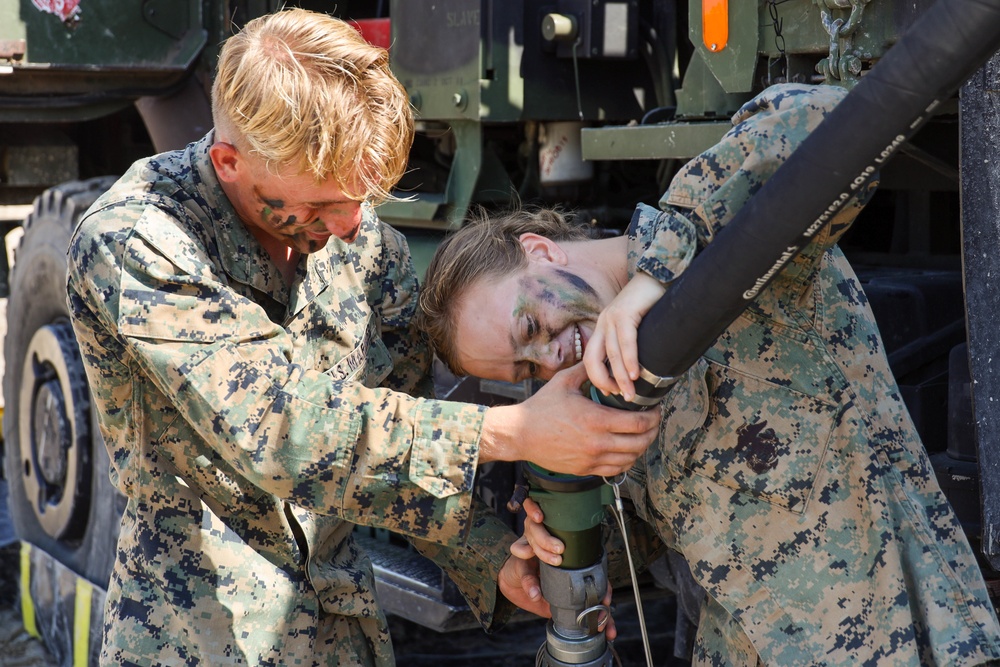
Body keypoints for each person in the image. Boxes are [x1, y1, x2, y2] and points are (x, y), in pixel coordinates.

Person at [65, 9, 660, 665]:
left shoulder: (365, 245)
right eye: (322, 205)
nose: (352, 226)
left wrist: (493, 557)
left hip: (342, 633)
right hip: (198, 635)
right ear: (230, 162)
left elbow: (401, 425)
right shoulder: (140, 238)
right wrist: (515, 431)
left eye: (363, 196)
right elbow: (279, 430)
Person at [416, 83, 1000, 666]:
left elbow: (829, 116)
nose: (549, 359)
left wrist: (654, 277)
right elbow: (679, 529)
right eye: (524, 368)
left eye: (530, 328)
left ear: (541, 251)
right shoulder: (603, 392)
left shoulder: (726, 259)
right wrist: (558, 546)